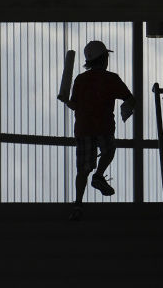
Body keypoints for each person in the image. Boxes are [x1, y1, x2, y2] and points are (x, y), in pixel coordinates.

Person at [64, 40, 136, 220]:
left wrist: (65, 101)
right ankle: (98, 176)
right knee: (109, 151)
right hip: (103, 126)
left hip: (84, 128)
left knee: (82, 170)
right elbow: (130, 98)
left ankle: (78, 204)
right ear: (104, 59)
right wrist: (128, 109)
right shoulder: (111, 79)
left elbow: (74, 106)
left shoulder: (80, 79)